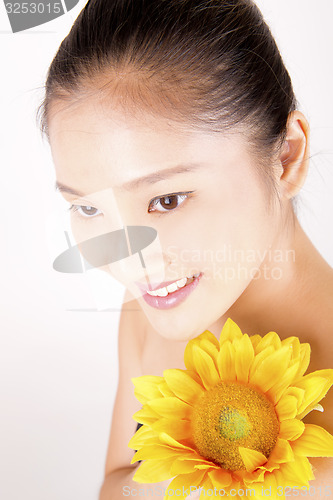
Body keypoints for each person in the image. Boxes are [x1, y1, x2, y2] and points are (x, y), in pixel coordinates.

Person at [37, 0, 333, 497]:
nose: (130, 259)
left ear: (287, 156)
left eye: (166, 200)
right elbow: (116, 485)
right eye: (90, 209)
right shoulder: (146, 314)